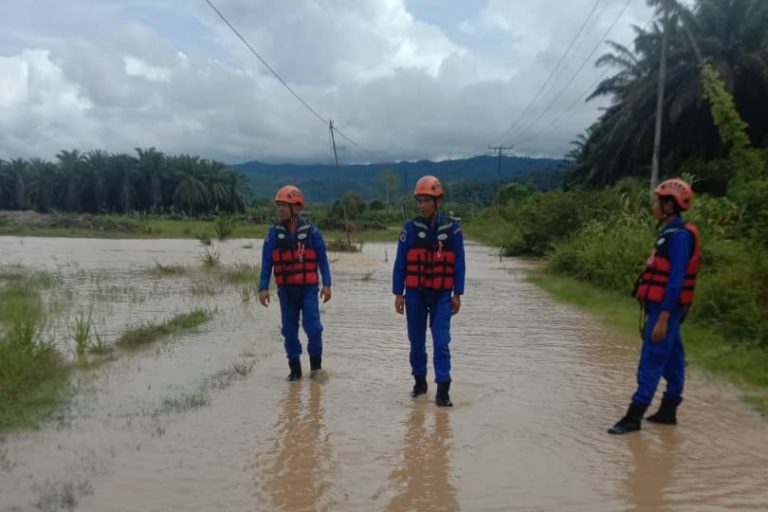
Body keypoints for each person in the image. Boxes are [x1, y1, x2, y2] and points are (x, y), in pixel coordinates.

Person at [608, 178, 701, 434]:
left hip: (664, 310)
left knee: (651, 359)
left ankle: (633, 417)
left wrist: (663, 316)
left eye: (658, 201)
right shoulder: (669, 233)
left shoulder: (679, 237)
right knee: (673, 358)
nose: (654, 205)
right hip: (661, 309)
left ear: (669, 205)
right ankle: (669, 411)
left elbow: (676, 280)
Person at [392, 175, 466, 407]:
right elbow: (400, 263)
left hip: (442, 295)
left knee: (441, 341)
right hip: (414, 293)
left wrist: (457, 293)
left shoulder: (453, 230)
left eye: (427, 200)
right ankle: (420, 383)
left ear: (438, 202)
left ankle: (443, 390)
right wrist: (398, 293)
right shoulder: (409, 230)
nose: (422, 205)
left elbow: (459, 263)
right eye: (419, 200)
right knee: (416, 342)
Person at [259, 185, 332, 381]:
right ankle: (295, 371)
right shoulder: (273, 235)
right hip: (286, 291)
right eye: (279, 205)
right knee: (289, 331)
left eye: (285, 205)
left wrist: (327, 284)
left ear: (296, 208)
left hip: (308, 289)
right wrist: (263, 288)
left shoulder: (312, 232)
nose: (281, 209)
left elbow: (322, 259)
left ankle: (316, 368)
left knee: (314, 328)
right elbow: (266, 263)